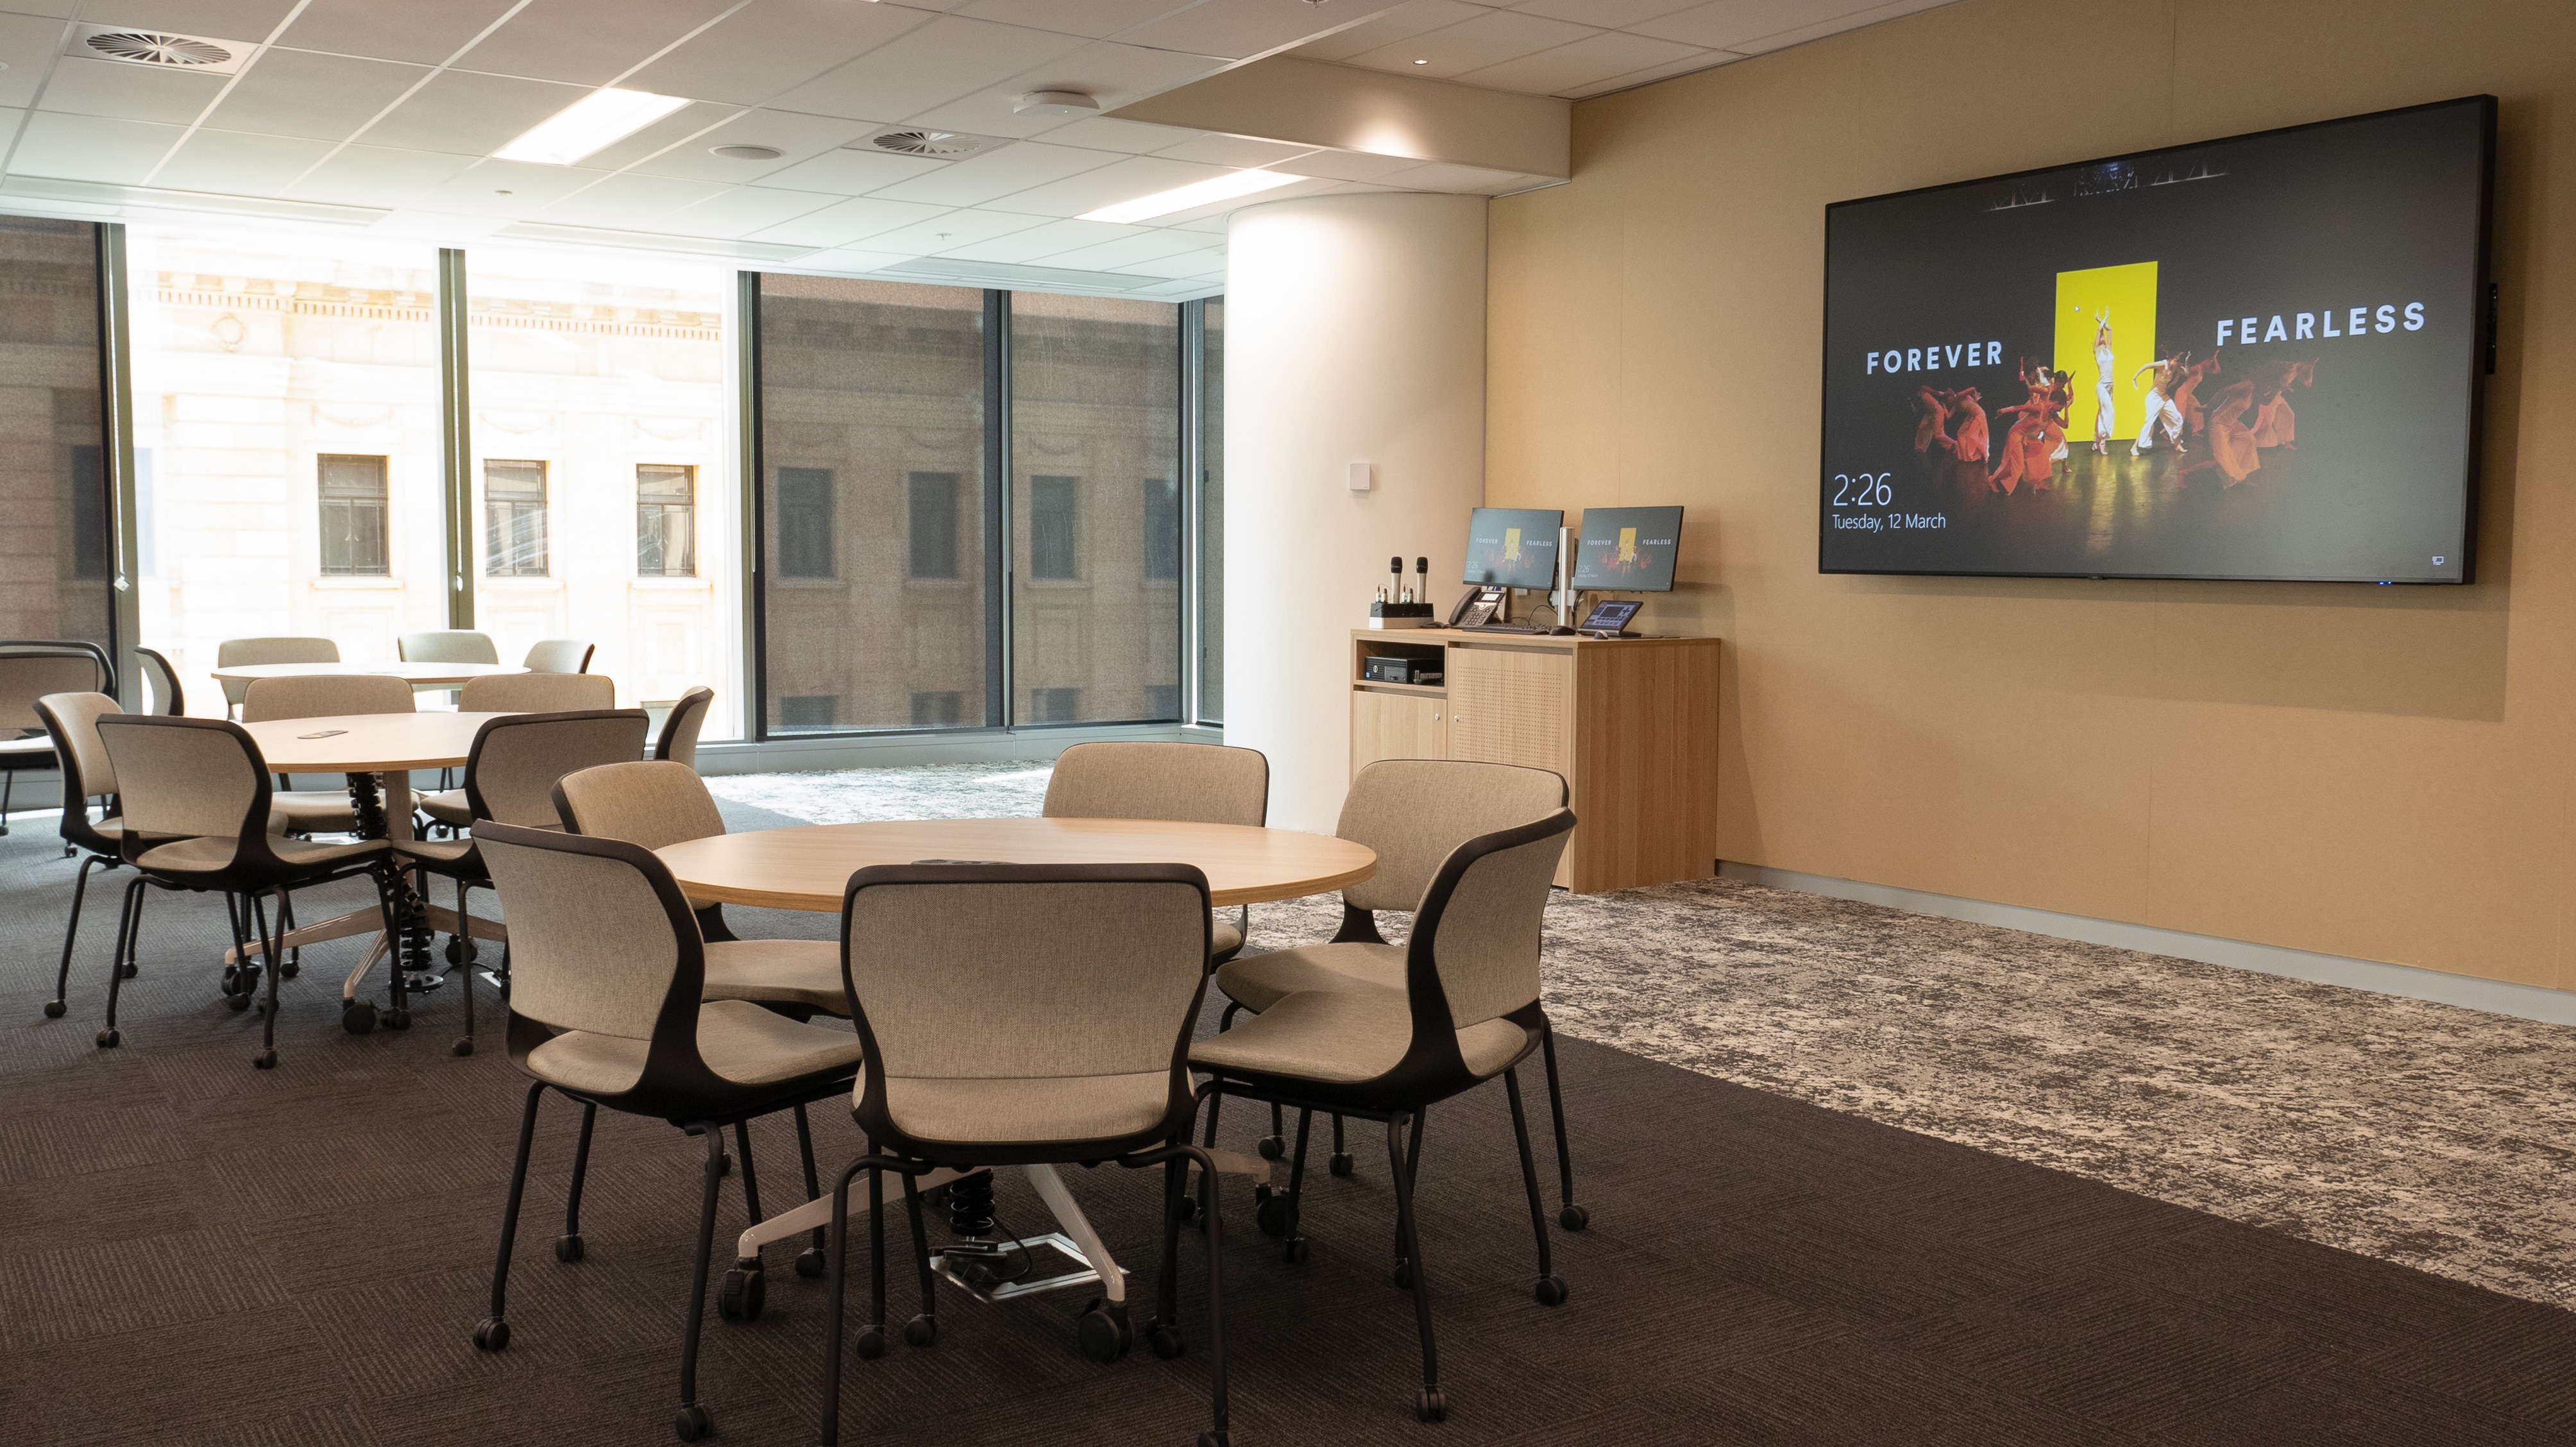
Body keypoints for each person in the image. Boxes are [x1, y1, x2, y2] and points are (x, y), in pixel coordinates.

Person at [2182, 378, 2262, 485]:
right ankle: (2185, 473)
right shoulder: (2248, 385)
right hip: (2219, 424)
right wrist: (2209, 407)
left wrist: (2280, 387)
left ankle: (2240, 476)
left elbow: (2267, 400)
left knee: (2249, 441)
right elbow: (2223, 391)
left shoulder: (2257, 391)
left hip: (2233, 424)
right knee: (2220, 461)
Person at [2130, 350, 2188, 456]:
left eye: (2179, 364)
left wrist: (2186, 364)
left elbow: (2187, 373)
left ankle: (2177, 444)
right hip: (2154, 397)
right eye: (2176, 362)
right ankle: (2134, 447)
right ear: (2172, 359)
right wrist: (2135, 378)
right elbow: (2146, 366)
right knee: (2149, 421)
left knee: (2177, 418)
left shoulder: (2177, 369)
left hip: (2164, 397)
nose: (2176, 365)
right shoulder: (2163, 364)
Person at [2091, 312, 2116, 454]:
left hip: (2111, 386)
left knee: (2102, 412)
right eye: (2100, 336)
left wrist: (2103, 319)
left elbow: (2110, 330)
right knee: (2109, 412)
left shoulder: (2109, 350)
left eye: (2103, 336)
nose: (2102, 338)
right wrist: (2099, 325)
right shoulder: (2096, 351)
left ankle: (2096, 440)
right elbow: (2100, 332)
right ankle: (2102, 442)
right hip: (2101, 386)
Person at [1913, 384, 1956, 455]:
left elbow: (1923, 387)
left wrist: (1939, 393)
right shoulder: (1920, 398)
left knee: (1938, 434)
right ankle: (1919, 448)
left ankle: (1955, 444)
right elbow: (1922, 405)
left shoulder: (1923, 391)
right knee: (1922, 427)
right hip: (1930, 413)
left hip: (1937, 411)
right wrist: (1916, 409)